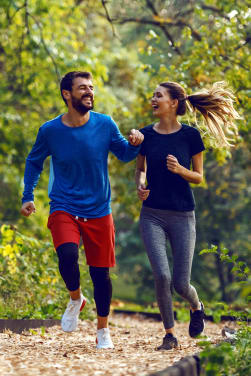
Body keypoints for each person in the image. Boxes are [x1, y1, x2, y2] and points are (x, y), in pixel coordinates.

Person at [21, 71, 144, 349]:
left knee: (100, 274)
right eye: (82, 88)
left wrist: (136, 143)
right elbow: (33, 161)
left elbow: (124, 154)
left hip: (99, 210)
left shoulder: (105, 124)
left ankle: (103, 331)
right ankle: (76, 298)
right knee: (66, 255)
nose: (89, 92)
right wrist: (27, 195)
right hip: (64, 205)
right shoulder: (50, 130)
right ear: (67, 94)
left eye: (91, 88)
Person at [136, 81, 240, 350]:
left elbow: (199, 177)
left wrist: (181, 170)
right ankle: (169, 334)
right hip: (152, 215)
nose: (153, 99)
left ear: (173, 103)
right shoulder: (147, 135)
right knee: (162, 276)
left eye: (158, 95)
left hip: (182, 215)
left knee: (181, 283)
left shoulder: (191, 136)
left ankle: (197, 306)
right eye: (153, 95)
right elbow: (141, 169)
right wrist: (140, 184)